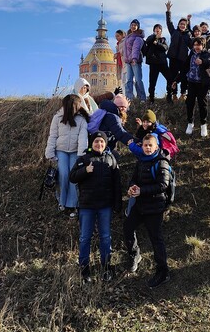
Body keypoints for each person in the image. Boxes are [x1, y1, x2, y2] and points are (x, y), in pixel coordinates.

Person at [69, 131, 122, 283]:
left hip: (105, 205)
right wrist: (85, 171)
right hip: (87, 206)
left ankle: (106, 268)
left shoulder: (111, 159)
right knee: (85, 238)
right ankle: (84, 269)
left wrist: (118, 203)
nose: (99, 144)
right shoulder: (84, 159)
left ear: (105, 144)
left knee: (105, 237)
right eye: (96, 142)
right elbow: (72, 177)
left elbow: (117, 184)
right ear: (91, 144)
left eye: (102, 142)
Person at [124, 134, 172, 288]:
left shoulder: (161, 162)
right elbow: (134, 179)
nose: (148, 148)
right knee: (127, 228)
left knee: (156, 239)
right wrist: (132, 187)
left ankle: (163, 272)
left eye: (151, 145)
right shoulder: (140, 162)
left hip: (155, 206)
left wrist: (141, 191)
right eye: (145, 145)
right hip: (140, 205)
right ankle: (134, 254)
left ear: (157, 146)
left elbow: (162, 185)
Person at [45, 94, 89, 218]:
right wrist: (50, 153)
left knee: (73, 175)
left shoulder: (81, 119)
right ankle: (61, 201)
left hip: (75, 151)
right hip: (61, 150)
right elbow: (52, 135)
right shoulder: (57, 117)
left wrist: (81, 154)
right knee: (63, 174)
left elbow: (83, 137)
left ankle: (73, 203)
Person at [177, 36, 210, 137]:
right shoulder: (191, 55)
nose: (197, 47)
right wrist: (176, 80)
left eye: (199, 45)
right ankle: (190, 123)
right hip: (192, 82)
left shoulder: (207, 53)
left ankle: (203, 125)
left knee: (202, 104)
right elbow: (185, 68)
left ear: (203, 45)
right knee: (190, 103)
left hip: (203, 83)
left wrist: (202, 62)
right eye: (195, 45)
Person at [165, 1, 192, 101]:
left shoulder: (188, 35)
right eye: (181, 24)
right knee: (172, 76)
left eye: (184, 24)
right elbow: (169, 23)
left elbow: (192, 45)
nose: (182, 25)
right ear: (178, 24)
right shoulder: (174, 32)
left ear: (186, 26)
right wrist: (168, 11)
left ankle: (183, 93)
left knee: (184, 76)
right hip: (173, 58)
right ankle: (173, 94)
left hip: (183, 58)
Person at [142, 24, 170, 103]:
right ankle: (151, 98)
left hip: (162, 63)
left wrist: (157, 43)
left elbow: (165, 48)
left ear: (161, 30)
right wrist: (154, 37)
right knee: (152, 82)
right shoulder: (151, 38)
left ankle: (169, 95)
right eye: (156, 28)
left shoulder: (163, 39)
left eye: (159, 28)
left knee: (170, 78)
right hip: (153, 63)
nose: (157, 29)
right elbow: (147, 41)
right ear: (154, 30)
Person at [123, 19, 146, 101]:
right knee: (129, 80)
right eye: (132, 25)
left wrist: (134, 59)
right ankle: (129, 98)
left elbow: (136, 49)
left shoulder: (138, 37)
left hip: (135, 60)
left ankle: (142, 98)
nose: (133, 26)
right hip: (128, 61)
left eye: (135, 25)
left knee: (138, 80)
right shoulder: (128, 36)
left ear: (138, 26)